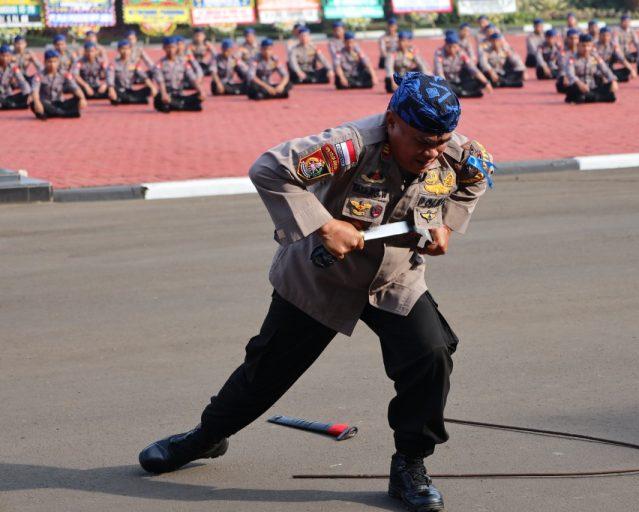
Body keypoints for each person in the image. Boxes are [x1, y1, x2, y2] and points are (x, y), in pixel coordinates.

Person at [137, 70, 492, 512]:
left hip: (393, 276)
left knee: (431, 354)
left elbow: (477, 178)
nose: (432, 152)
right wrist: (326, 225)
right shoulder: (349, 145)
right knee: (265, 373)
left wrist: (448, 224)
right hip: (322, 277)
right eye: (422, 141)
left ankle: (410, 465)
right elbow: (268, 168)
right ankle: (206, 438)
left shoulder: (451, 150)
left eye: (441, 141)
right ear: (392, 121)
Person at [152, 36, 204, 113]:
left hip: (179, 95)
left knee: (198, 99)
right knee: (161, 101)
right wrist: (164, 94)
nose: (171, 50)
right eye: (168, 47)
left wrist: (201, 90)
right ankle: (183, 106)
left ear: (176, 48)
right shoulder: (159, 64)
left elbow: (192, 78)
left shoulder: (183, 62)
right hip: (166, 95)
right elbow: (161, 82)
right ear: (164, 48)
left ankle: (180, 105)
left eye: (173, 47)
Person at [30, 49, 86, 120]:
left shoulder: (64, 73)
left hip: (60, 103)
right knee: (33, 103)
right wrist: (37, 103)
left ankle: (52, 114)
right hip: (46, 103)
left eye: (54, 62)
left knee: (78, 98)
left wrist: (82, 98)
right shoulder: (39, 75)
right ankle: (64, 114)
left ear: (58, 62)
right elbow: (35, 91)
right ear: (44, 62)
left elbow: (74, 87)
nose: (52, 64)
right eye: (49, 62)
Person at [434, 31, 492, 98]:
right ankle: (463, 93)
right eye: (450, 47)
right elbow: (439, 72)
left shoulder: (461, 53)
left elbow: (473, 69)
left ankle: (461, 93)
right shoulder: (439, 53)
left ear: (458, 46)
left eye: (455, 47)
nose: (452, 50)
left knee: (478, 82)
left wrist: (486, 83)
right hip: (447, 82)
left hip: (459, 81)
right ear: (445, 45)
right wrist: (445, 87)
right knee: (445, 89)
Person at [564, 34, 618, 104]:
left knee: (611, 94)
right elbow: (570, 74)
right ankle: (595, 97)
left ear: (592, 46)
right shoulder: (572, 58)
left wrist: (613, 80)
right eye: (583, 46)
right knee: (577, 92)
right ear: (578, 46)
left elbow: (605, 69)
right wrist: (579, 83)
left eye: (588, 46)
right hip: (578, 87)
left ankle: (591, 97)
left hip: (591, 87)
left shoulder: (594, 57)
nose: (586, 49)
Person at [107, 40, 157, 105]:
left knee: (148, 90)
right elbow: (109, 78)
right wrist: (111, 89)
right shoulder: (113, 64)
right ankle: (138, 100)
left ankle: (130, 99)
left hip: (130, 90)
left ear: (130, 50)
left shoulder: (134, 63)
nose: (125, 51)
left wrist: (152, 87)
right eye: (123, 49)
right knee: (113, 95)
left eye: (127, 49)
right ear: (118, 50)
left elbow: (143, 76)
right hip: (119, 91)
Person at [1, 44, 31, 109]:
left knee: (27, 96)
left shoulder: (13, 67)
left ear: (11, 56)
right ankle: (13, 105)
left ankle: (10, 105)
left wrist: (28, 94)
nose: (5, 58)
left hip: (8, 95)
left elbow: (22, 81)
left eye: (7, 56)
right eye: (2, 56)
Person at [556, 28, 580, 93]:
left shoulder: (581, 50)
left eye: (576, 38)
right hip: (567, 75)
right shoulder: (562, 52)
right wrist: (565, 76)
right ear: (567, 39)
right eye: (571, 38)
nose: (573, 41)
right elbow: (563, 66)